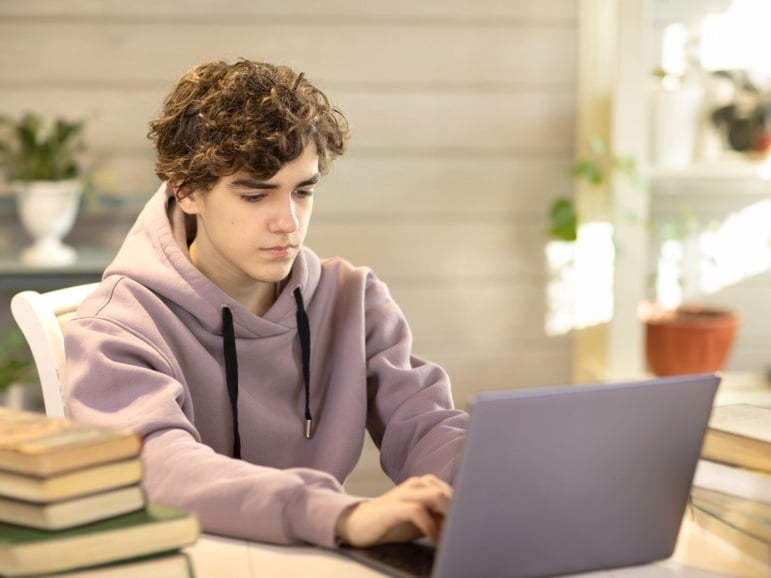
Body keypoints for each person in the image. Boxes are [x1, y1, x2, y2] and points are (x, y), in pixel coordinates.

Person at [65, 59, 469, 549]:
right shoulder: (116, 328)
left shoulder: (352, 301)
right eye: (256, 196)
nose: (288, 222)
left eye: (302, 191)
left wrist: (492, 479)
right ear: (186, 189)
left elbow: (426, 425)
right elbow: (159, 466)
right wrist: (338, 515)